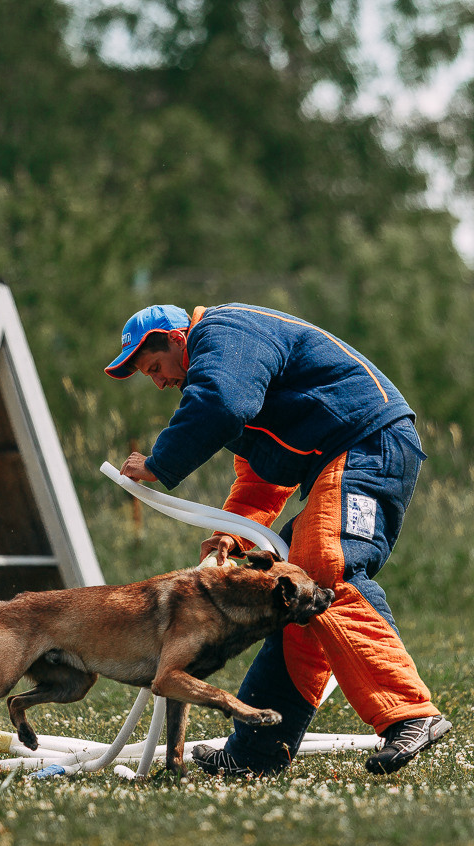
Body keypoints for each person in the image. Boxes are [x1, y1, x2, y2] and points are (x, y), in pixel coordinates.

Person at [107, 303, 451, 776]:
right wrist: (229, 537)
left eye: (155, 368)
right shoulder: (237, 375)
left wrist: (158, 462)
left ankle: (411, 714)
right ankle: (257, 751)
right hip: (346, 452)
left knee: (325, 565)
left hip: (371, 443)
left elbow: (220, 404)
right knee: (293, 594)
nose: (160, 382)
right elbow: (261, 481)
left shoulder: (224, 335)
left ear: (177, 339)